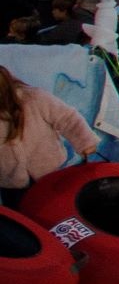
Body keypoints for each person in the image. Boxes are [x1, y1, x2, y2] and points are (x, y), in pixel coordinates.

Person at [0, 66, 100, 194]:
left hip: (51, 170)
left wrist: (86, 142)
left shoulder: (34, 98)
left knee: (55, 205)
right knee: (21, 211)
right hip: (11, 183)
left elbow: (68, 119)